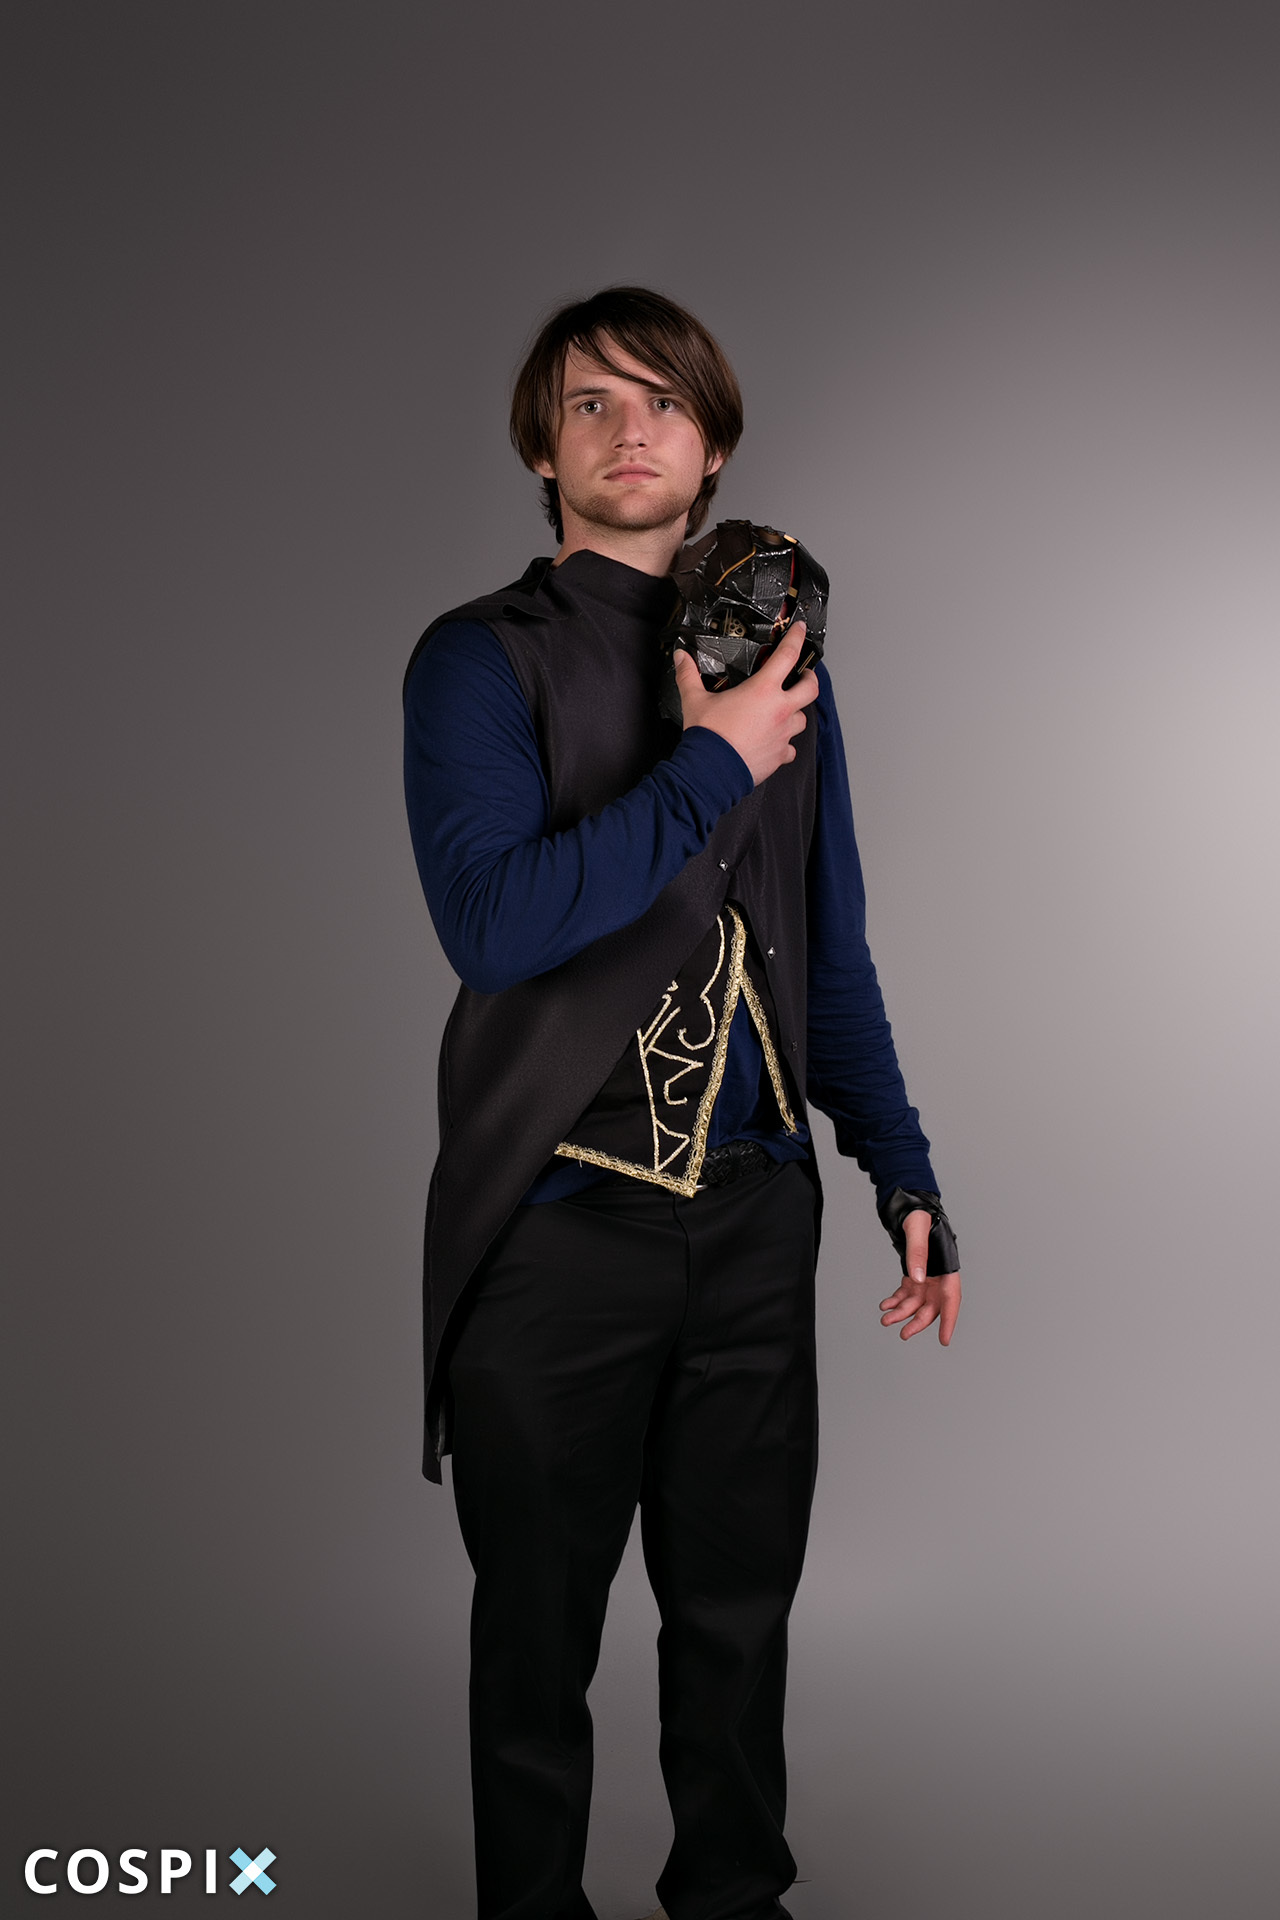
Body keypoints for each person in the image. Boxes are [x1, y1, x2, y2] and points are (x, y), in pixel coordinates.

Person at [402, 286, 962, 1920]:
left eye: (663, 401)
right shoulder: (477, 661)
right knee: (538, 1639)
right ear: (542, 447)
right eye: (591, 402)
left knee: (736, 1621)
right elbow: (495, 925)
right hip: (554, 1232)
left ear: (714, 445)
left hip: (755, 1223)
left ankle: (732, 1899)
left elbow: (828, 949)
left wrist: (902, 1173)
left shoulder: (785, 665)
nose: (629, 428)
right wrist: (712, 760)